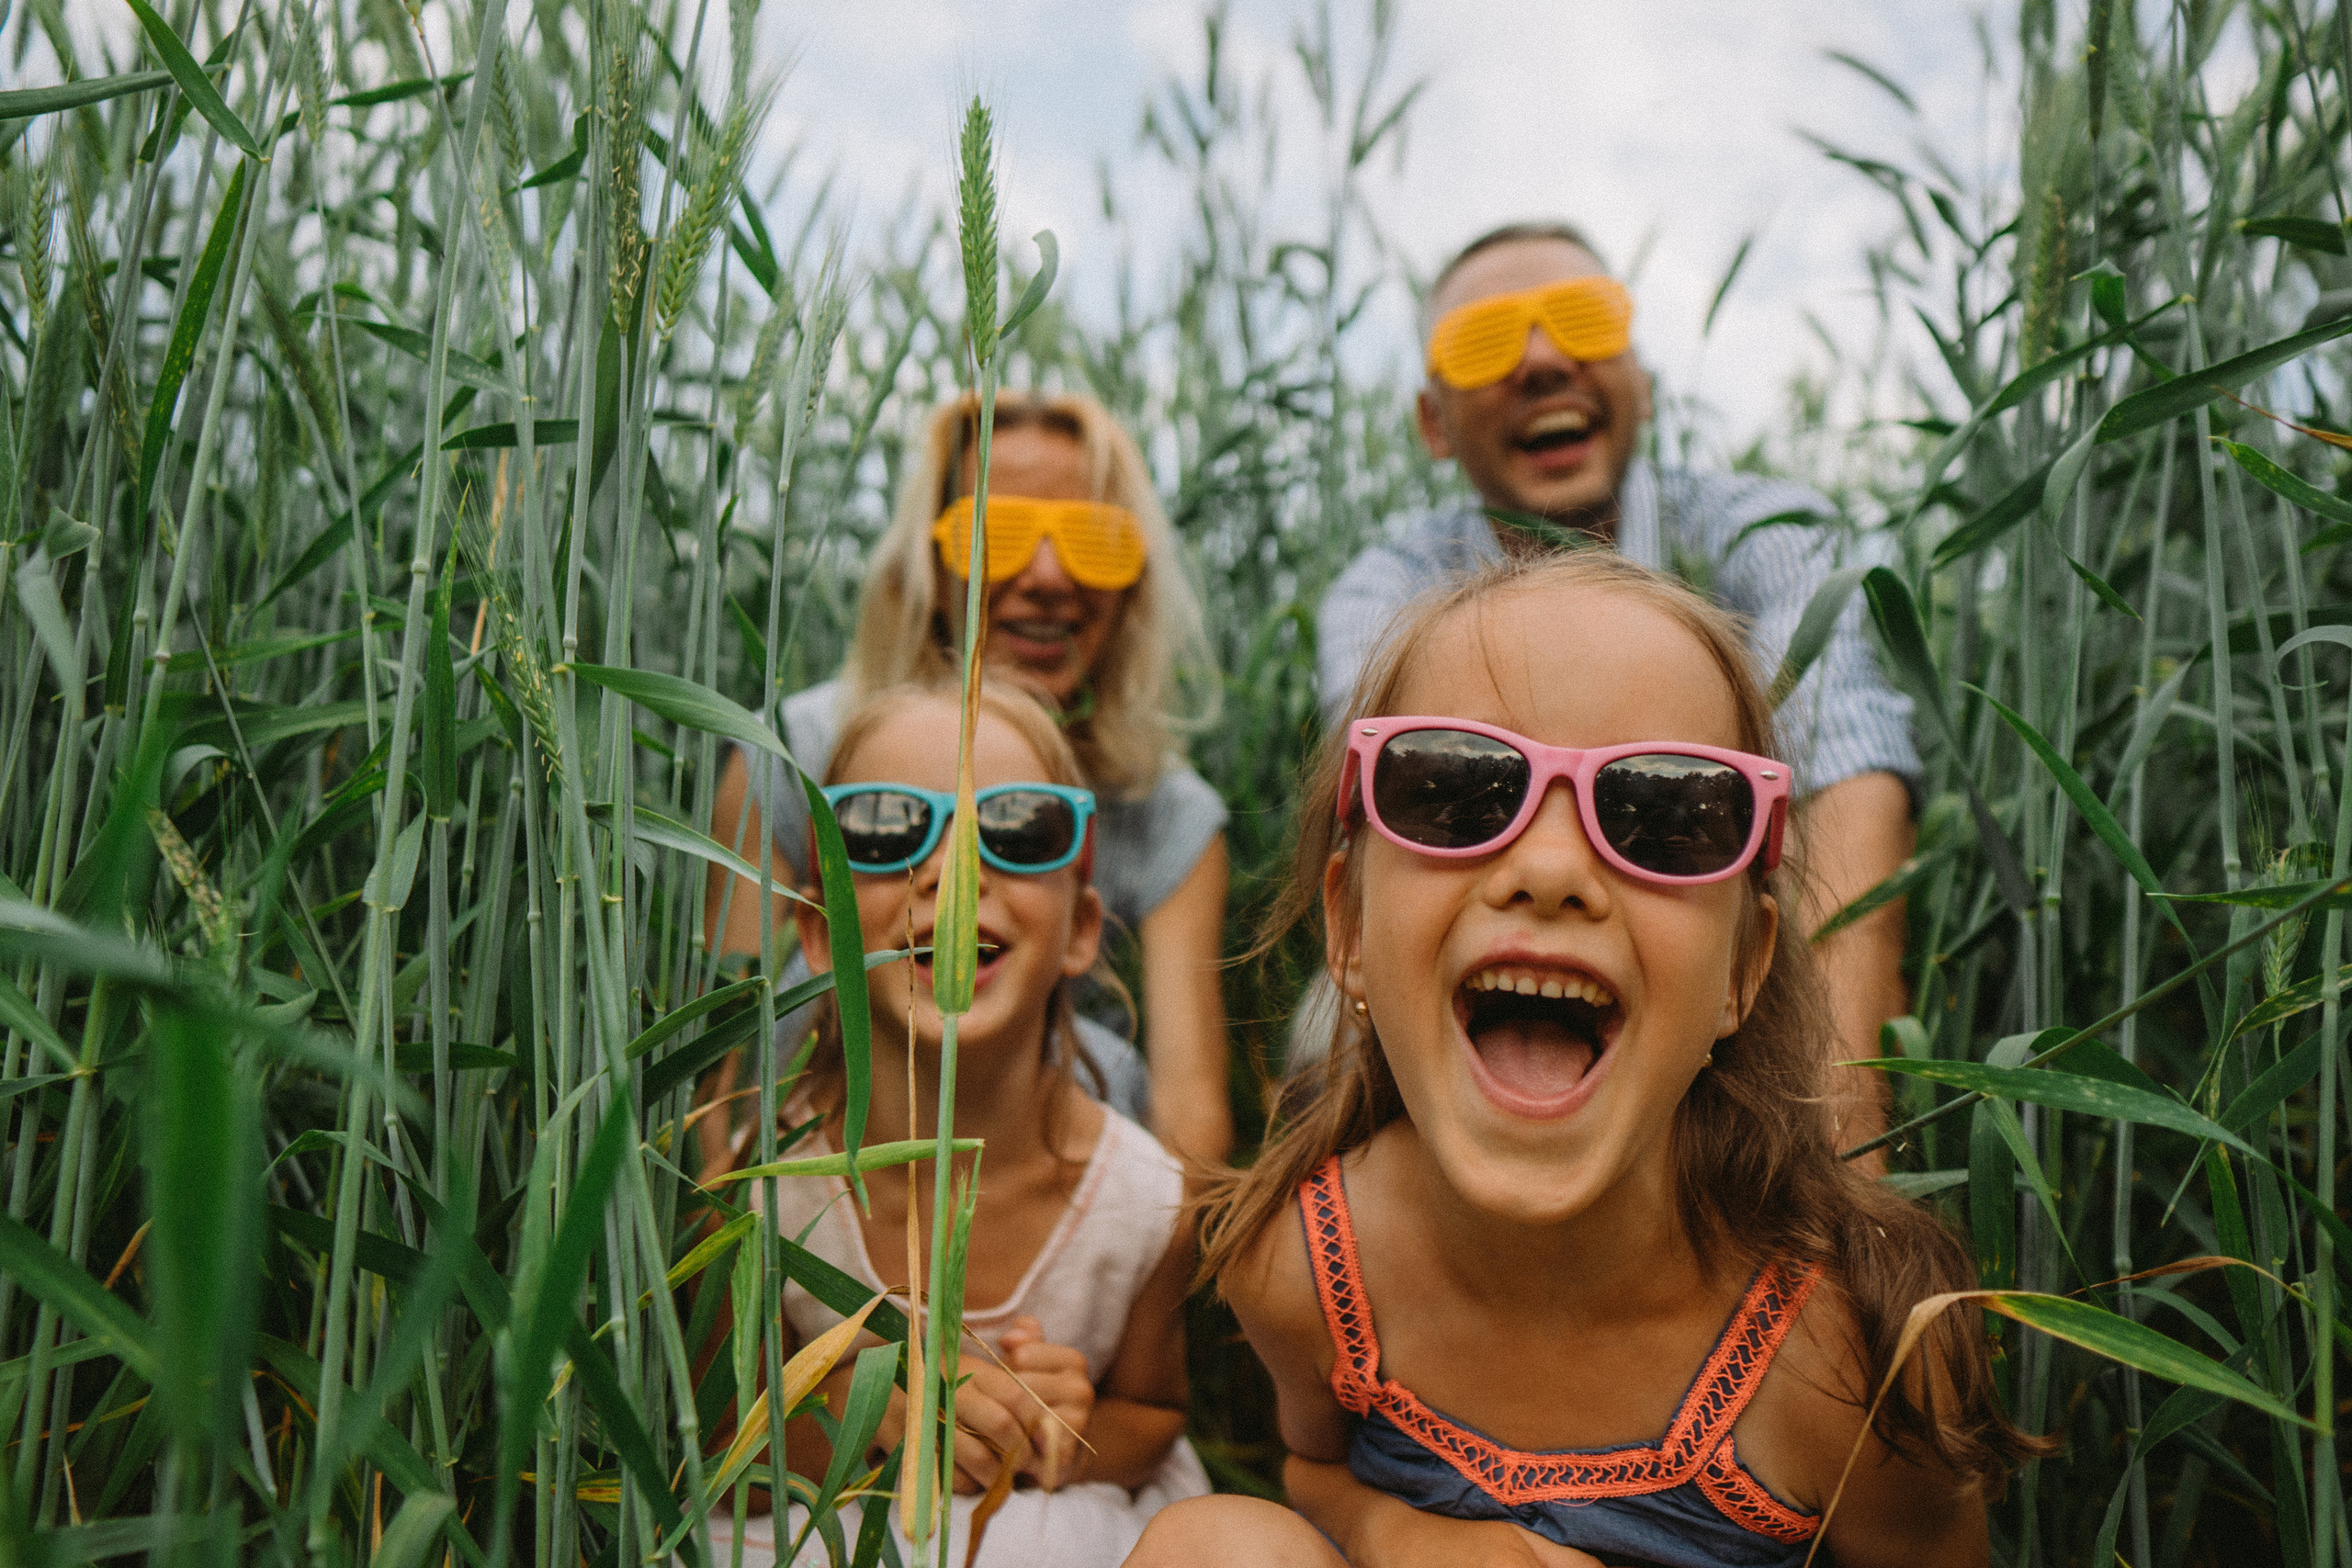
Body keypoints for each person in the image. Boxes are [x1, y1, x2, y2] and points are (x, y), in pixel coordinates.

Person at [1129, 554, 2038, 1568]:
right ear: (1347, 928)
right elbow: (1314, 1471)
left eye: (1667, 816)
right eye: (1457, 792)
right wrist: (1414, 1537)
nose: (1553, 869)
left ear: (1742, 970)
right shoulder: (1307, 1267)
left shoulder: (1845, 1359)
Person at [1316, 221, 1918, 1156]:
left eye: (1585, 322)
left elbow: (1848, 782)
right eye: (1485, 342)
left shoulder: (1767, 534)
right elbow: (1389, 828)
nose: (1544, 361)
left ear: (1641, 380)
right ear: (1433, 423)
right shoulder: (1385, 589)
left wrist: (1838, 1157)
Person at [711, 682, 1210, 1568]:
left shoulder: (1143, 1203)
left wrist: (1063, 1429)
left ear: (1080, 930)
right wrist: (864, 1414)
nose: (952, 870)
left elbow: (1155, 1415)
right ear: (818, 934)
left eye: (1018, 829)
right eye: (882, 829)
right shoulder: (765, 1188)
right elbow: (723, 1451)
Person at [707, 389, 1234, 1167]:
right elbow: (719, 1075)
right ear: (926, 566)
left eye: (1093, 541)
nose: (1048, 576)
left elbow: (1192, 1121)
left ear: (1134, 585)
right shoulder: (790, 754)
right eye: (996, 534)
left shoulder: (1166, 813)